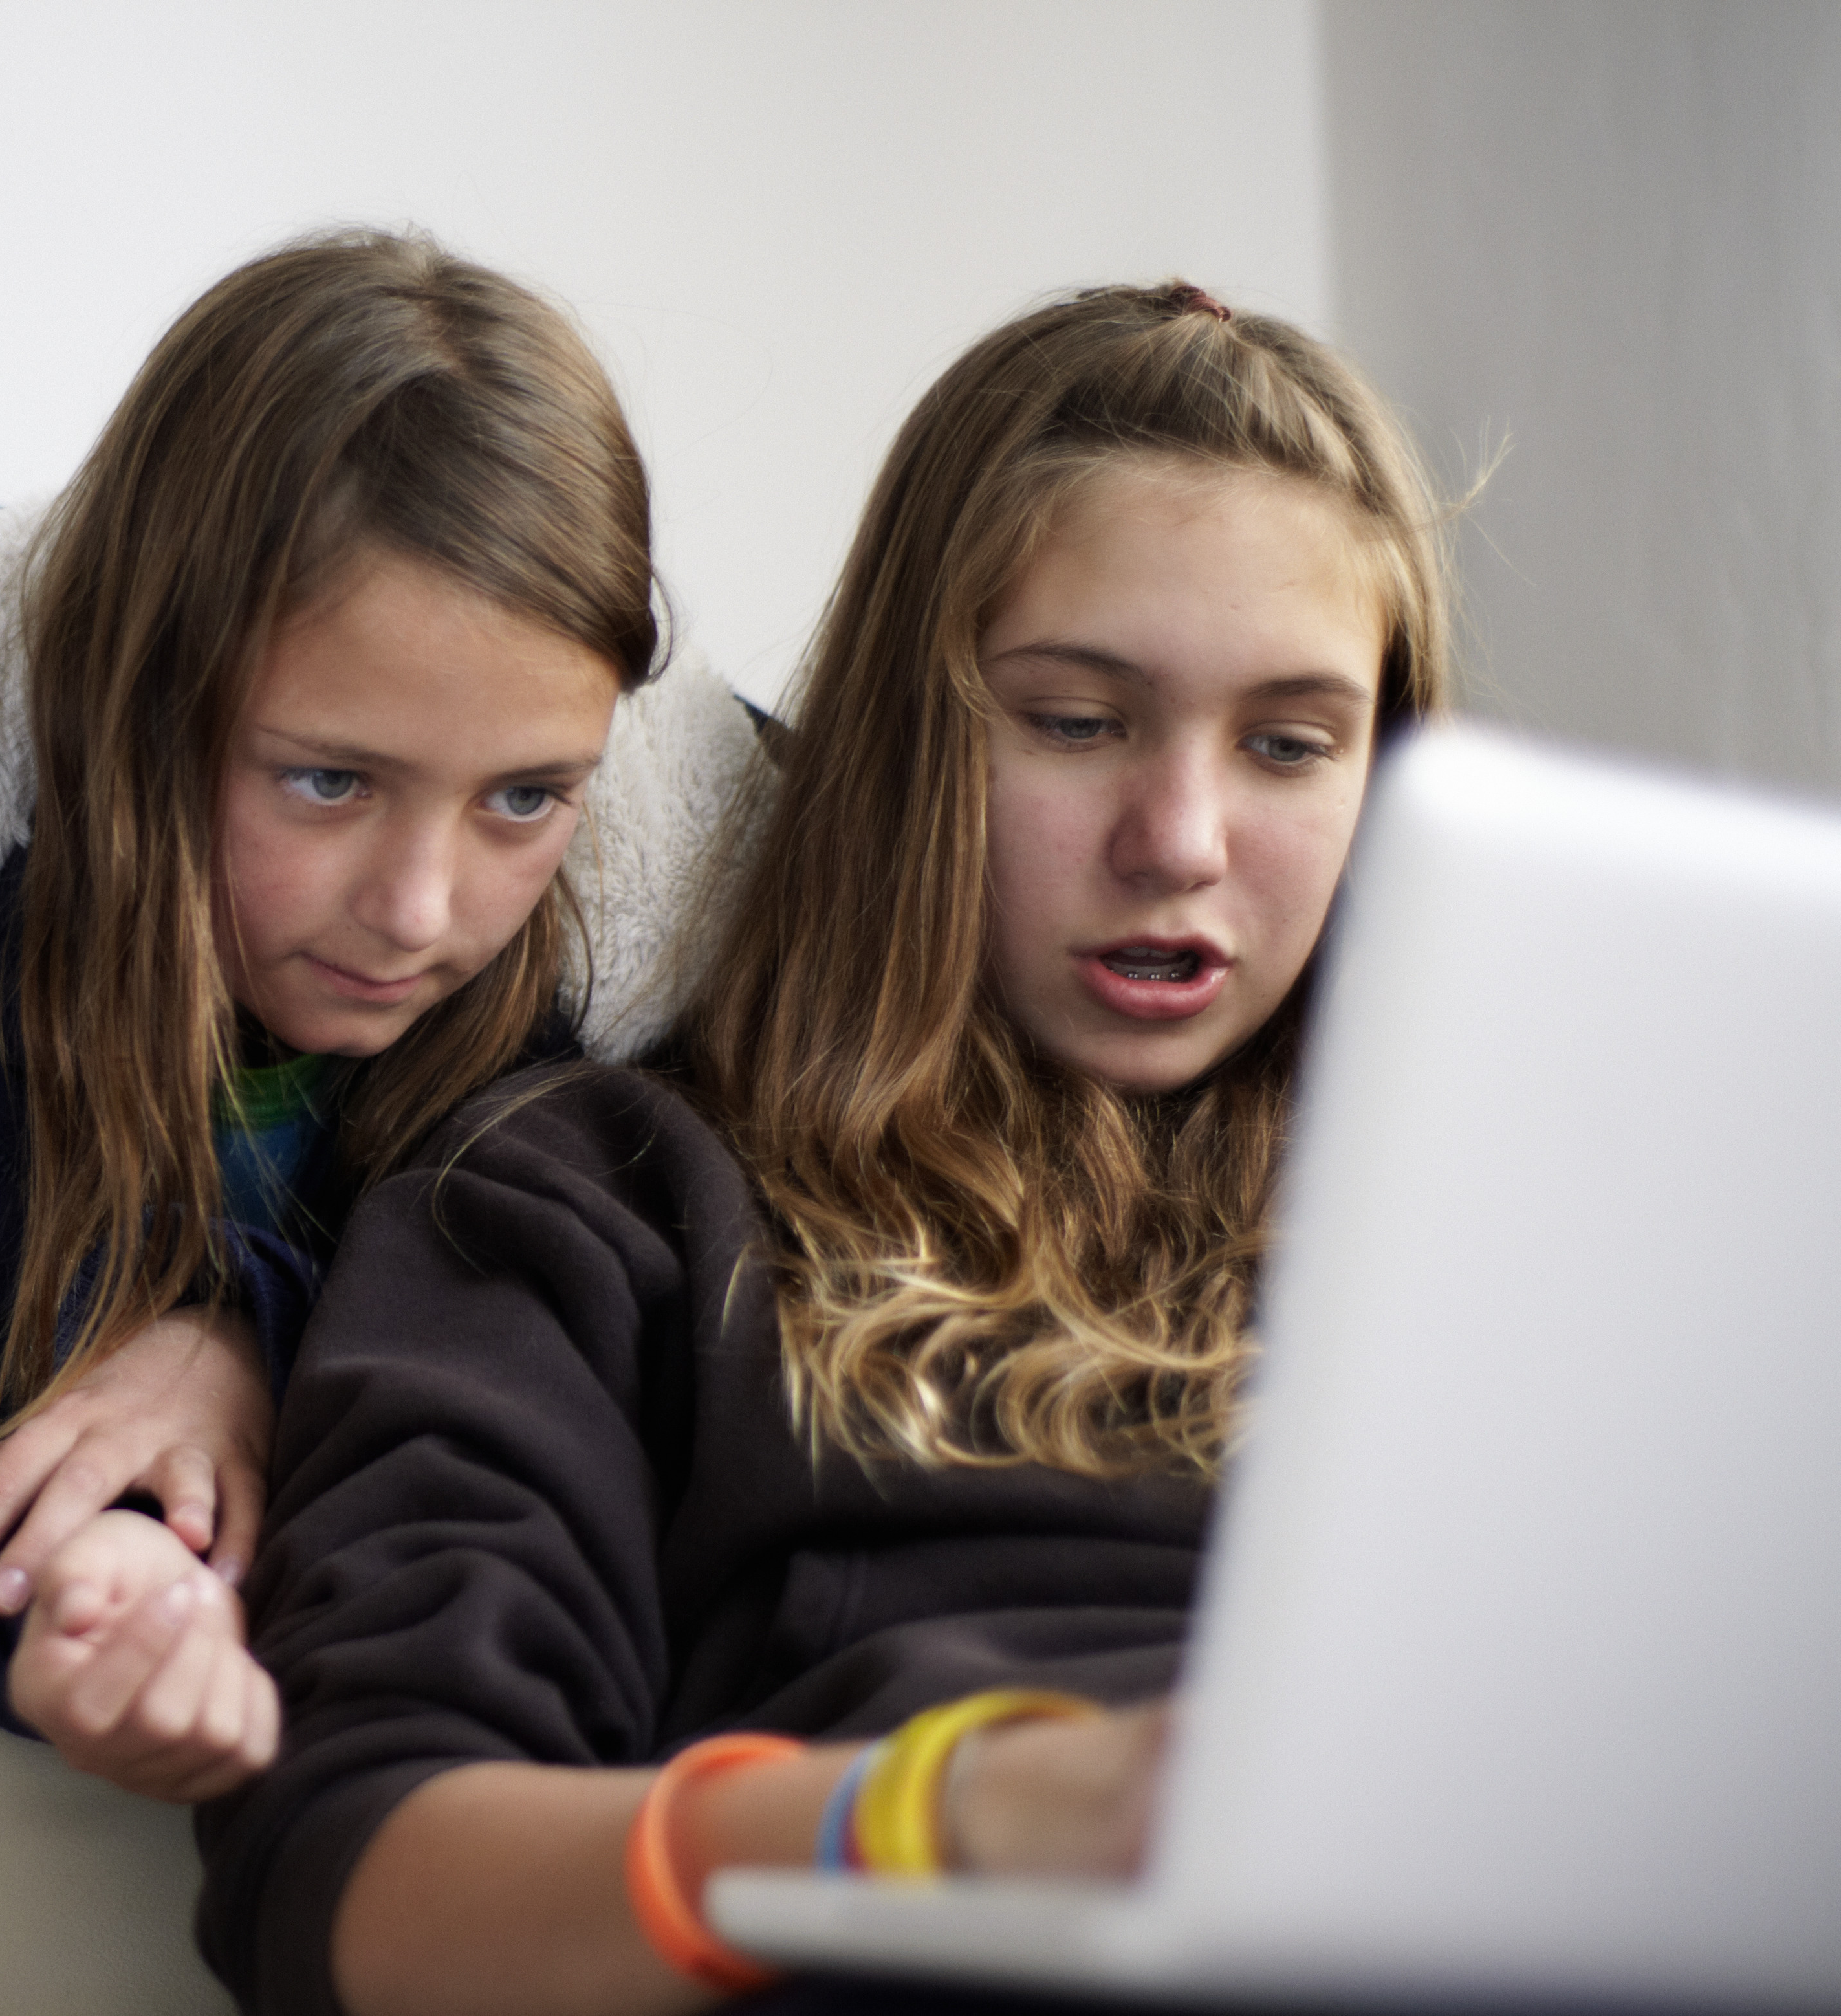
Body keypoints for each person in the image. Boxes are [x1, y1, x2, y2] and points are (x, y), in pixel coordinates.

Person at [189, 281, 1460, 2016]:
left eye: (1291, 745)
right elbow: (354, 1891)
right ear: (904, 734)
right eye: (1075, 722)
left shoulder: (1492, 1260)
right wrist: (961, 1814)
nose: (1180, 840)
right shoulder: (591, 1204)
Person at [0, 230, 767, 2011]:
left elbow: (656, 1432)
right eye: (327, 778)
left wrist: (259, 1344)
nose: (422, 908)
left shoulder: (702, 912)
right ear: (144, 696)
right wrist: (77, 1594)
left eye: (527, 796)